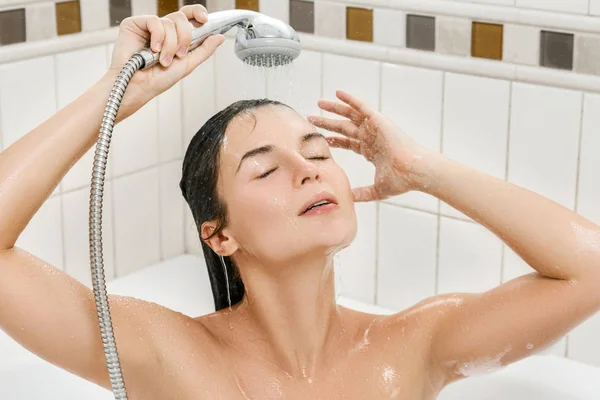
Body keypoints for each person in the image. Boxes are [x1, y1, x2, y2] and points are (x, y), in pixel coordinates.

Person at [0, 4, 599, 399]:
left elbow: (589, 270)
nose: (307, 173)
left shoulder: (411, 346)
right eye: (265, 170)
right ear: (220, 235)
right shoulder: (170, 356)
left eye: (317, 154)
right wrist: (116, 94)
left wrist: (424, 170)